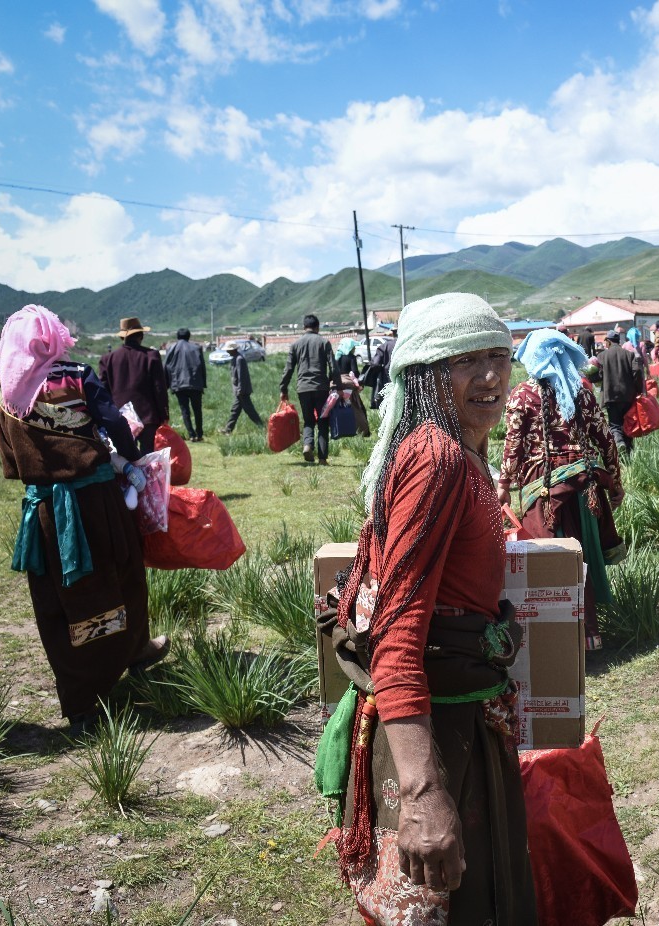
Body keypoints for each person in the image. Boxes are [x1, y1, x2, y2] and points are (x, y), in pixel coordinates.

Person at [330, 292, 536, 923]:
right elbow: (396, 633)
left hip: (461, 713)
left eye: (498, 356)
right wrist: (422, 791)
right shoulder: (438, 459)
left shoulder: (461, 451)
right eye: (465, 360)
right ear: (423, 373)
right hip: (436, 728)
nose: (491, 377)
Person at [0, 305, 168, 730]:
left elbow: (11, 461)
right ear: (54, 337)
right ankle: (134, 650)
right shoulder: (75, 374)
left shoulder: (9, 393)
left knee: (59, 598)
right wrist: (130, 460)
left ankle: (81, 701)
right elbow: (113, 423)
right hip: (95, 502)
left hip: (46, 513)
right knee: (119, 575)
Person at [498, 330, 625, 652]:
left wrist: (503, 487)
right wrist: (616, 485)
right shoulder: (582, 391)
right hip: (586, 490)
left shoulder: (523, 395)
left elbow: (512, 447)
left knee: (550, 562)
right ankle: (588, 636)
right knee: (580, 557)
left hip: (544, 492)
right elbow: (606, 439)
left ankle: (554, 639)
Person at [98, 316, 168, 454]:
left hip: (121, 419)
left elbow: (103, 392)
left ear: (122, 338)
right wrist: (164, 414)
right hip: (148, 417)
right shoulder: (151, 355)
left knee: (125, 458)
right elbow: (159, 389)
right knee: (148, 457)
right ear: (141, 336)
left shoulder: (108, 359)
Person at [279, 314, 339, 464]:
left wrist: (283, 388)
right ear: (317, 327)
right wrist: (336, 384)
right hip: (321, 387)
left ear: (304, 327)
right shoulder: (324, 342)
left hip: (303, 388)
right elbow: (333, 366)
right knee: (323, 420)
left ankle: (307, 445)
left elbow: (288, 369)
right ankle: (323, 458)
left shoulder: (295, 344)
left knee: (308, 420)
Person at [597, 329, 643, 452]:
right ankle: (629, 450)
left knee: (614, 424)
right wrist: (639, 389)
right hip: (628, 395)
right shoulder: (629, 354)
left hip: (610, 396)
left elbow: (598, 376)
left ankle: (618, 441)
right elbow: (637, 371)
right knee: (627, 423)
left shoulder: (601, 356)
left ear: (608, 341)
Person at [163, 328, 206, 442]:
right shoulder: (196, 348)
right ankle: (200, 434)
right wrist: (203, 383)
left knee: (185, 410)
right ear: (189, 336)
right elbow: (202, 367)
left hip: (178, 384)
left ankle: (191, 434)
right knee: (197, 410)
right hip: (195, 383)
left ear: (178, 336)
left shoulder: (171, 348)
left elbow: (166, 366)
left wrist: (167, 384)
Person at [334, 337, 372, 437]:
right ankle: (363, 431)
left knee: (339, 407)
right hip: (348, 386)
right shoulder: (351, 357)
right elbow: (355, 371)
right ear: (349, 347)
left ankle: (339, 430)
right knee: (357, 408)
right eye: (353, 347)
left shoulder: (336, 357)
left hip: (336, 386)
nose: (354, 349)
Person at [222, 343, 263, 433]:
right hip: (239, 391)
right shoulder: (235, 358)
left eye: (228, 350)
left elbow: (242, 376)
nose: (227, 351)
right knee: (235, 411)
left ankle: (262, 427)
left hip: (242, 391)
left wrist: (240, 389)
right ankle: (228, 429)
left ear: (233, 350)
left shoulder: (239, 359)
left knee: (250, 411)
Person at [364, 328, 397, 410]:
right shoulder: (406, 345)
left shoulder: (385, 346)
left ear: (392, 333)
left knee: (388, 407)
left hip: (388, 380)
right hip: (405, 380)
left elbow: (375, 364)